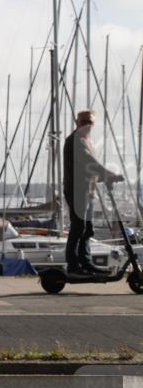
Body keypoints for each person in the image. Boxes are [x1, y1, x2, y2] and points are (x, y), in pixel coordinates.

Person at [63, 110, 123, 275]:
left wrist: (107, 178)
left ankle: (86, 262)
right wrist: (109, 174)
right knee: (78, 226)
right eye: (83, 121)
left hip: (87, 191)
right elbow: (91, 163)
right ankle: (73, 265)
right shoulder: (76, 140)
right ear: (77, 122)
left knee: (87, 229)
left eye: (89, 122)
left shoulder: (87, 141)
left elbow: (90, 171)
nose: (86, 124)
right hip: (76, 191)